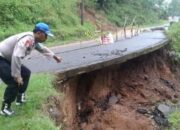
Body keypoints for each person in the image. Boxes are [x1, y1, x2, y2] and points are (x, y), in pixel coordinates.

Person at [0, 22, 62, 116]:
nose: (46, 38)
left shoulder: (33, 40)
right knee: (14, 81)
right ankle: (5, 108)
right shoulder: (28, 39)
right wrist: (17, 75)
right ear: (39, 33)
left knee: (26, 73)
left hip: (8, 58)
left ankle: (19, 97)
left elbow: (42, 49)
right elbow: (17, 56)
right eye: (46, 35)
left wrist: (54, 56)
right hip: (1, 58)